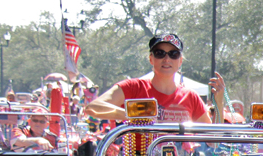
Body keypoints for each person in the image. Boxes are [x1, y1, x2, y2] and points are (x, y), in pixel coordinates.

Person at [84, 34, 212, 124]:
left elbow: (212, 141)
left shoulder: (191, 96)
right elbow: (93, 107)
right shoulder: (133, 87)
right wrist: (133, 115)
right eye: (160, 53)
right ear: (151, 58)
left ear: (180, 61)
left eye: (173, 54)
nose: (167, 59)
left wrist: (218, 102)